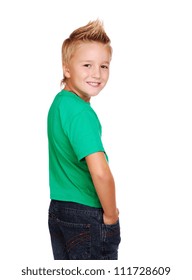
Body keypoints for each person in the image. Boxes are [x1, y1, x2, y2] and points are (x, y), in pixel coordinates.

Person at [47, 19, 121, 260]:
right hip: (87, 215)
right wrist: (110, 216)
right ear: (67, 69)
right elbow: (100, 172)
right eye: (87, 65)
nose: (97, 74)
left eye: (104, 66)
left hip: (59, 210)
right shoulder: (81, 113)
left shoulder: (60, 104)